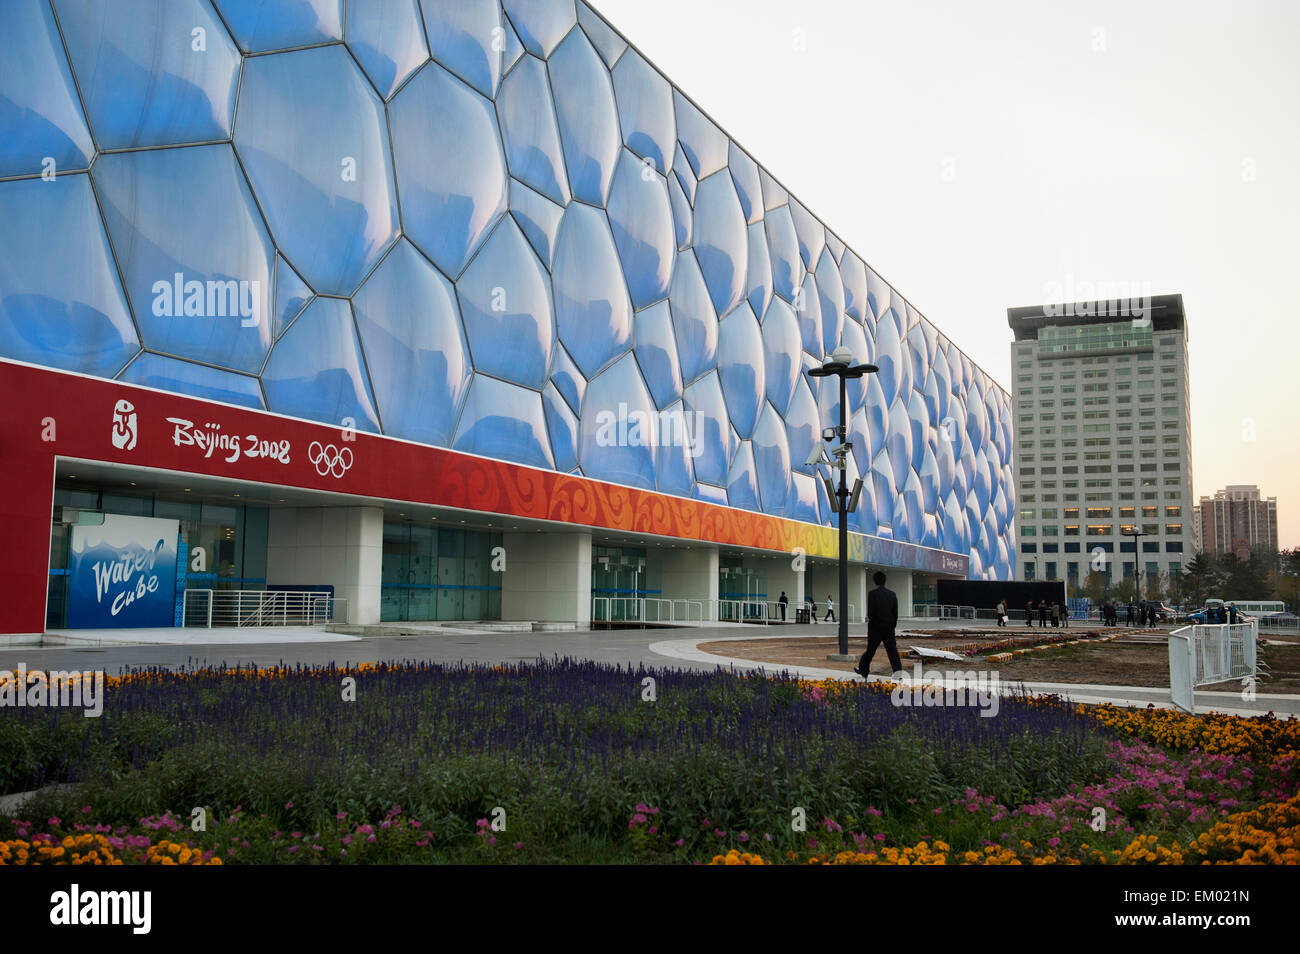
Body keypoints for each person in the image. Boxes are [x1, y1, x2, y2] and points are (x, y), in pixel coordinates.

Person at [855, 571, 902, 678]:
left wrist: (873, 623)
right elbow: (895, 613)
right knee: (892, 651)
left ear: (875, 581)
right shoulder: (892, 594)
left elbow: (870, 613)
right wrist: (892, 625)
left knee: (870, 650)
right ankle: (898, 673)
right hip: (889, 627)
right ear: (885, 581)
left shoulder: (872, 594)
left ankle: (864, 670)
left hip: (875, 627)